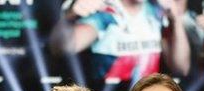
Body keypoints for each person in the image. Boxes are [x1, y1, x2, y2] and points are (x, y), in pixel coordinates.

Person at [50, 0, 190, 81]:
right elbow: (62, 48)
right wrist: (69, 16)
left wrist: (176, 19)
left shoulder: (155, 12)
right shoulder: (106, 11)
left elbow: (181, 67)